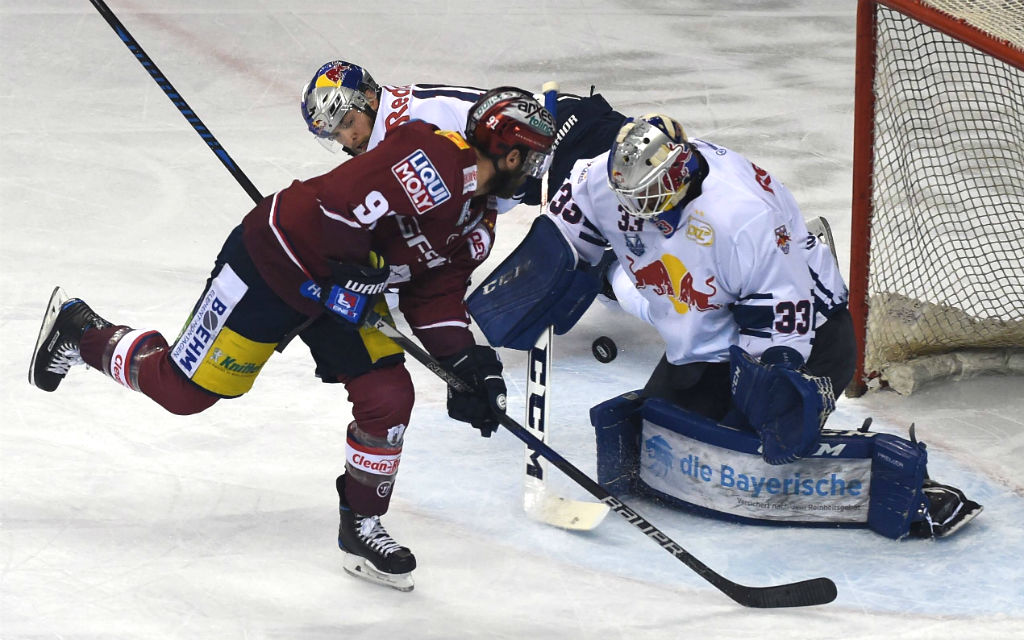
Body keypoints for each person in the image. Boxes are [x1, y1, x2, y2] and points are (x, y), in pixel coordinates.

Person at [29, 86, 556, 591]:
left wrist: (470, 366)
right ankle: (82, 332)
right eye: (532, 160)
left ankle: (361, 525)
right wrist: (349, 269)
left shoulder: (478, 225)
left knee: (389, 396)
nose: (534, 173)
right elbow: (340, 206)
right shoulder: (438, 159)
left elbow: (432, 300)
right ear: (511, 155)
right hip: (274, 262)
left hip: (342, 299)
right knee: (182, 393)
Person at [530, 113, 979, 539]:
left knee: (754, 460)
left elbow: (783, 322)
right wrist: (537, 282)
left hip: (808, 335)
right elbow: (566, 233)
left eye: (649, 193)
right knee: (652, 451)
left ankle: (906, 487)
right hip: (715, 338)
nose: (637, 209)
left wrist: (774, 386)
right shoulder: (602, 180)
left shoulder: (741, 215)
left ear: (680, 170)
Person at [299, 60, 627, 211]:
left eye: (346, 122)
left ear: (369, 98)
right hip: (539, 155)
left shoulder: (414, 121)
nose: (347, 138)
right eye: (335, 134)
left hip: (568, 136)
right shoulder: (388, 121)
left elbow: (477, 193)